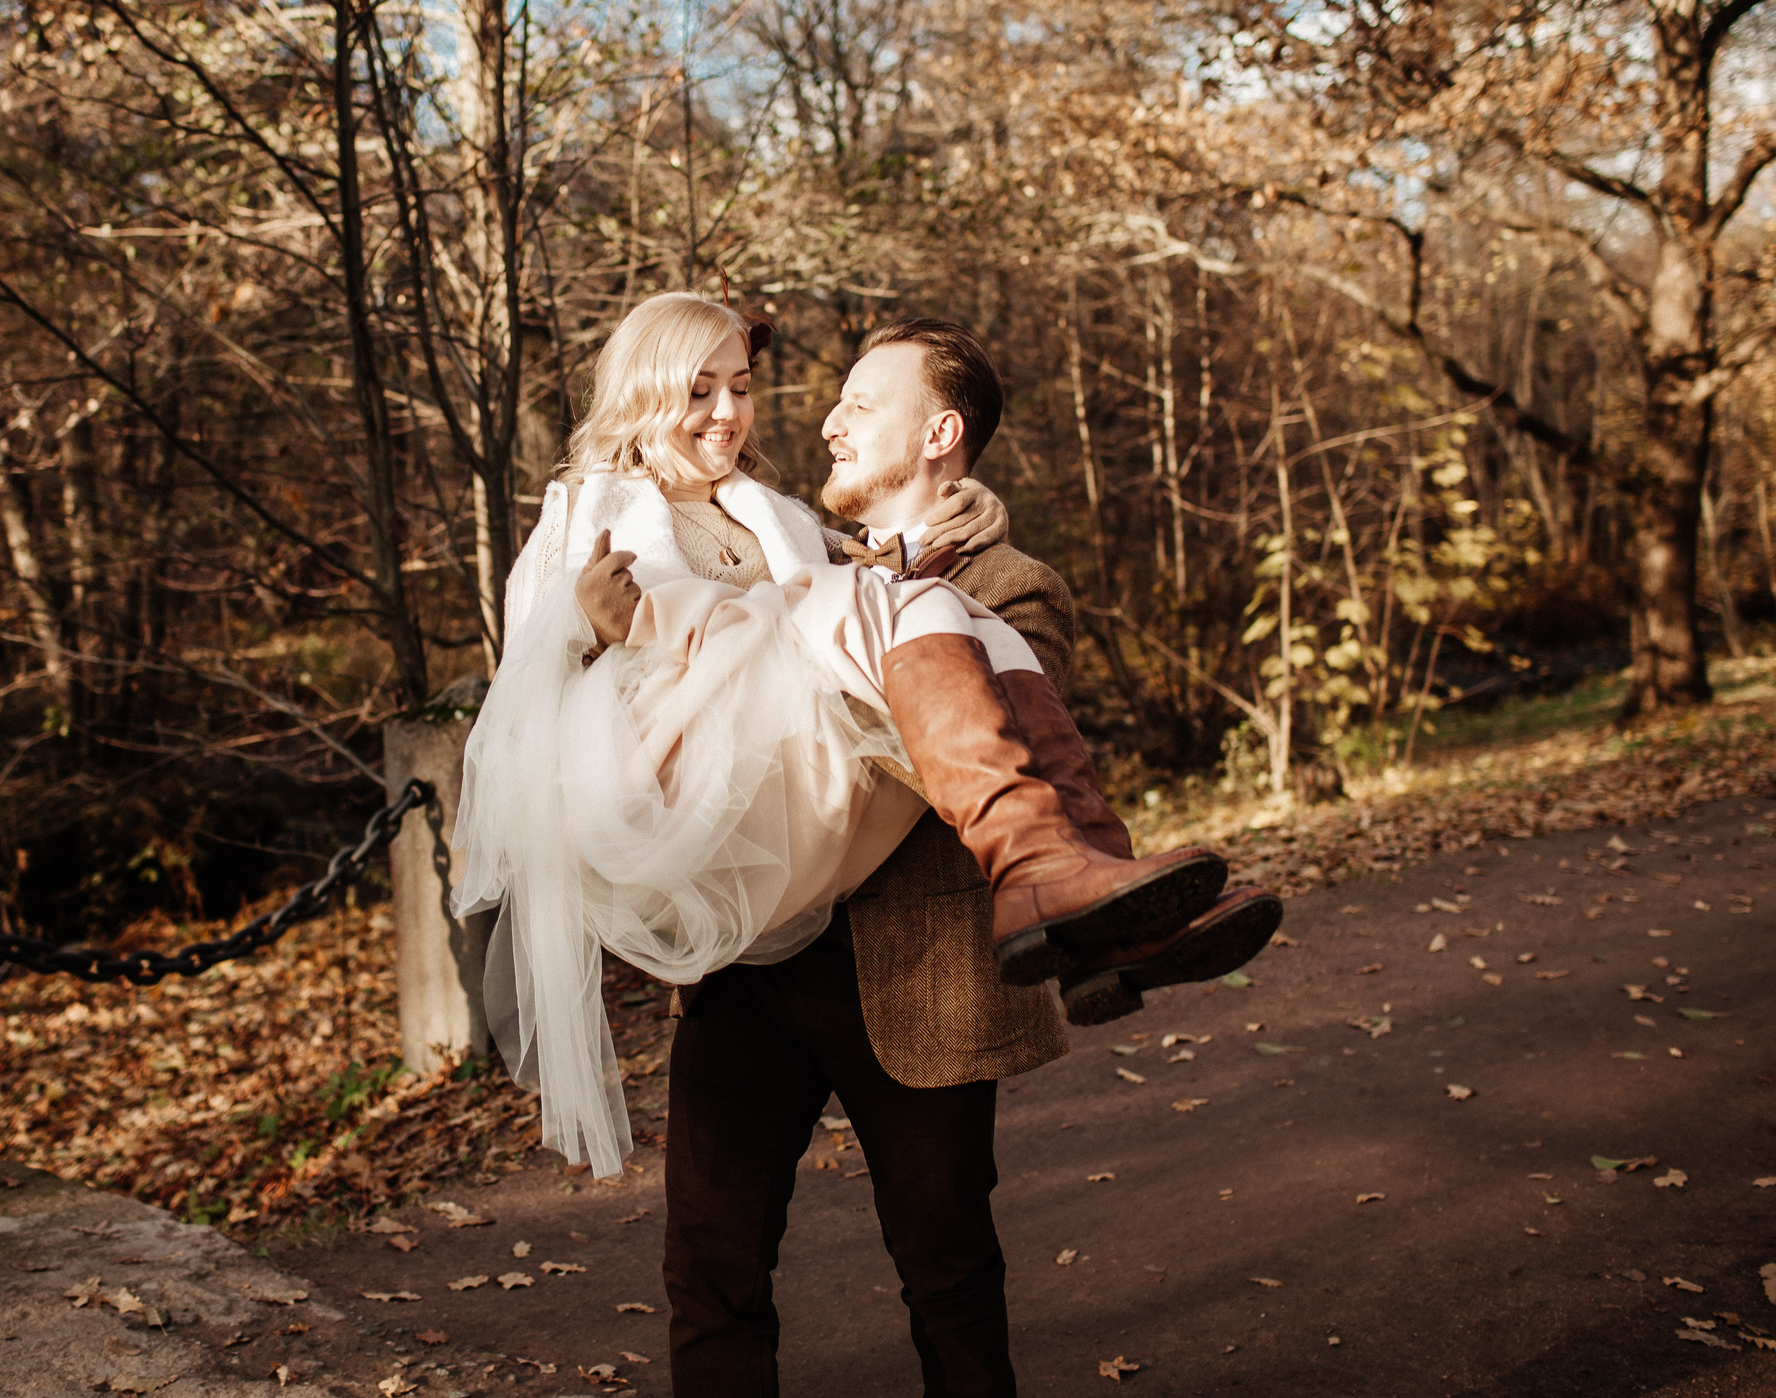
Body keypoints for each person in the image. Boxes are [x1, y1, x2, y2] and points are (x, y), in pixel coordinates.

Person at [451, 294, 1240, 1182]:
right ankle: (1056, 877)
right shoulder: (596, 508)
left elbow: (865, 559)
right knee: (906, 604)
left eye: (741, 387)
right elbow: (529, 690)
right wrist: (591, 629)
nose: (727, 411)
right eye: (698, 389)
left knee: (956, 610)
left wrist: (956, 504)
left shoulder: (767, 510)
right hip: (676, 783)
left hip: (797, 801)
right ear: (643, 395)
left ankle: (1080, 887)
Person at [657, 318, 1282, 1398]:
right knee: (709, 1270)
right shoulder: (781, 543)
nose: (826, 420)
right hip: (752, 967)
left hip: (917, 978)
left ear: (939, 432)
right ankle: (1109, 927)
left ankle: (1096, 913)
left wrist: (891, 585)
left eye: (860, 401)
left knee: (946, 1273)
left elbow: (947, 743)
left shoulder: (1012, 583)